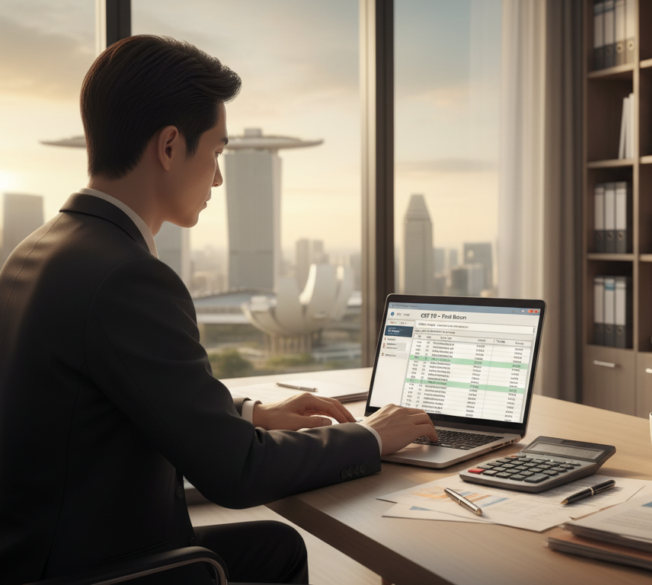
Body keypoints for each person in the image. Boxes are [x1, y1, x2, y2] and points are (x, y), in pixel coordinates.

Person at [0, 35, 437, 584]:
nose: (218, 177)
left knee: (276, 547)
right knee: (273, 550)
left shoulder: (38, 251)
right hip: (97, 568)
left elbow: (120, 392)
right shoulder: (127, 277)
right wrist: (371, 435)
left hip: (36, 554)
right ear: (169, 146)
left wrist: (250, 414)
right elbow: (239, 472)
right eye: (217, 152)